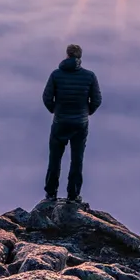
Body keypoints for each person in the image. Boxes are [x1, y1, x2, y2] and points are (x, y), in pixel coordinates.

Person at [42, 43, 102, 203]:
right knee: (77, 159)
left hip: (60, 122)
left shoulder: (56, 75)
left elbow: (47, 98)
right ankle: (73, 195)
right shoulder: (90, 76)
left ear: (67, 55)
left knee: (54, 159)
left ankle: (50, 194)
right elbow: (97, 100)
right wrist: (86, 112)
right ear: (80, 57)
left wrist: (56, 110)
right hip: (80, 124)